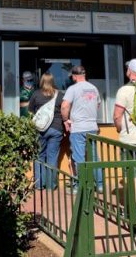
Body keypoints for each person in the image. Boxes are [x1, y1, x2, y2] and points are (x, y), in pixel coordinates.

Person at [61, 65, 102, 193]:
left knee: (79, 157)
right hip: (92, 127)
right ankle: (100, 185)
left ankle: (79, 186)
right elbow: (98, 105)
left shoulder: (72, 89)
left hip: (78, 127)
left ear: (74, 76)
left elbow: (64, 106)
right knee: (94, 157)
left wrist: (65, 120)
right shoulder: (94, 88)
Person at [28, 72, 64, 190]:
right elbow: (65, 110)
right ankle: (50, 186)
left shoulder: (36, 94)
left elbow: (30, 111)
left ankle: (39, 184)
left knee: (39, 156)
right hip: (56, 128)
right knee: (52, 157)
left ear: (42, 81)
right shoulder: (60, 95)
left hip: (39, 129)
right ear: (53, 81)